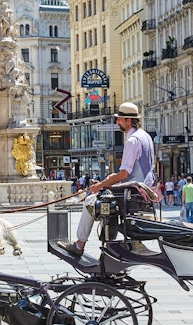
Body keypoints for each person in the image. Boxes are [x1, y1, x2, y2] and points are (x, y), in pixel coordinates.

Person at [59, 102, 155, 257]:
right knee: (103, 196)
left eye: (120, 119)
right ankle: (109, 242)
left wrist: (102, 185)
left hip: (133, 191)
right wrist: (107, 183)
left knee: (91, 201)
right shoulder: (146, 137)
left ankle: (80, 244)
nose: (117, 122)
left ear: (128, 121)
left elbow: (124, 174)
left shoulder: (132, 140)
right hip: (143, 188)